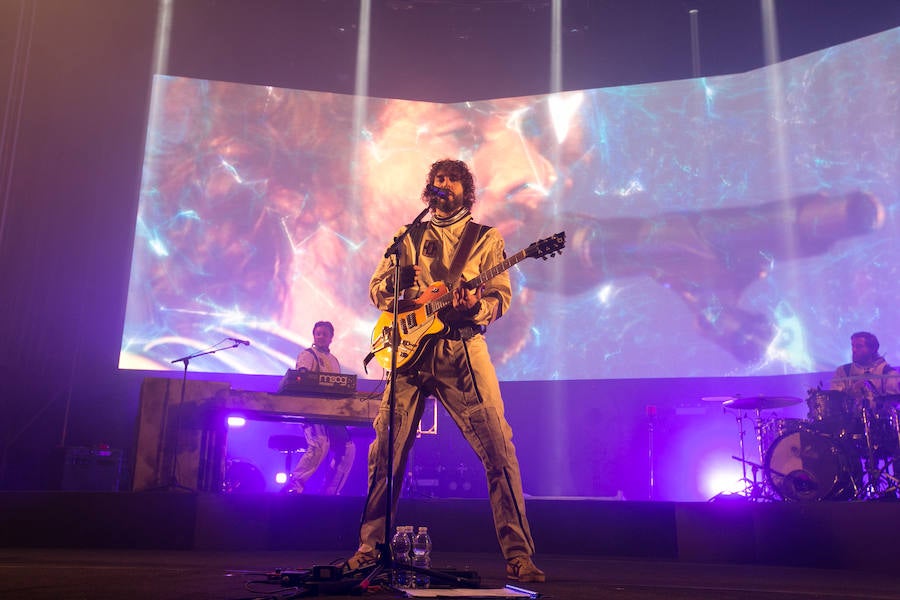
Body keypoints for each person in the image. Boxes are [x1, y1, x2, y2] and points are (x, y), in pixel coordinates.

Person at [346, 158, 545, 583]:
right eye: (438, 179)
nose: (444, 185)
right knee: (385, 453)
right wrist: (400, 288)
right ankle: (369, 549)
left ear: (466, 190)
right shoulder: (407, 235)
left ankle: (518, 556)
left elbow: (500, 297)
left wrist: (478, 306)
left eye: (452, 180)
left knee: (498, 449)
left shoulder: (485, 238)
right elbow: (376, 291)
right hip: (408, 355)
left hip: (462, 351)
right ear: (429, 188)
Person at [284, 320, 357, 495]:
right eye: (318, 333)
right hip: (313, 410)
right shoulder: (308, 355)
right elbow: (302, 379)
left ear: (331, 338)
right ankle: (294, 486)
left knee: (348, 449)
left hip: (331, 413)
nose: (321, 337)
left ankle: (331, 492)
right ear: (314, 336)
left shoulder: (334, 360)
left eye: (325, 334)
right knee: (320, 445)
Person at [829, 331, 900, 400]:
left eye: (859, 346)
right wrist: (853, 390)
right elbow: (835, 400)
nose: (854, 350)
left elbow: (893, 404)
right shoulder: (843, 371)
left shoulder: (888, 373)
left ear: (873, 349)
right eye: (853, 346)